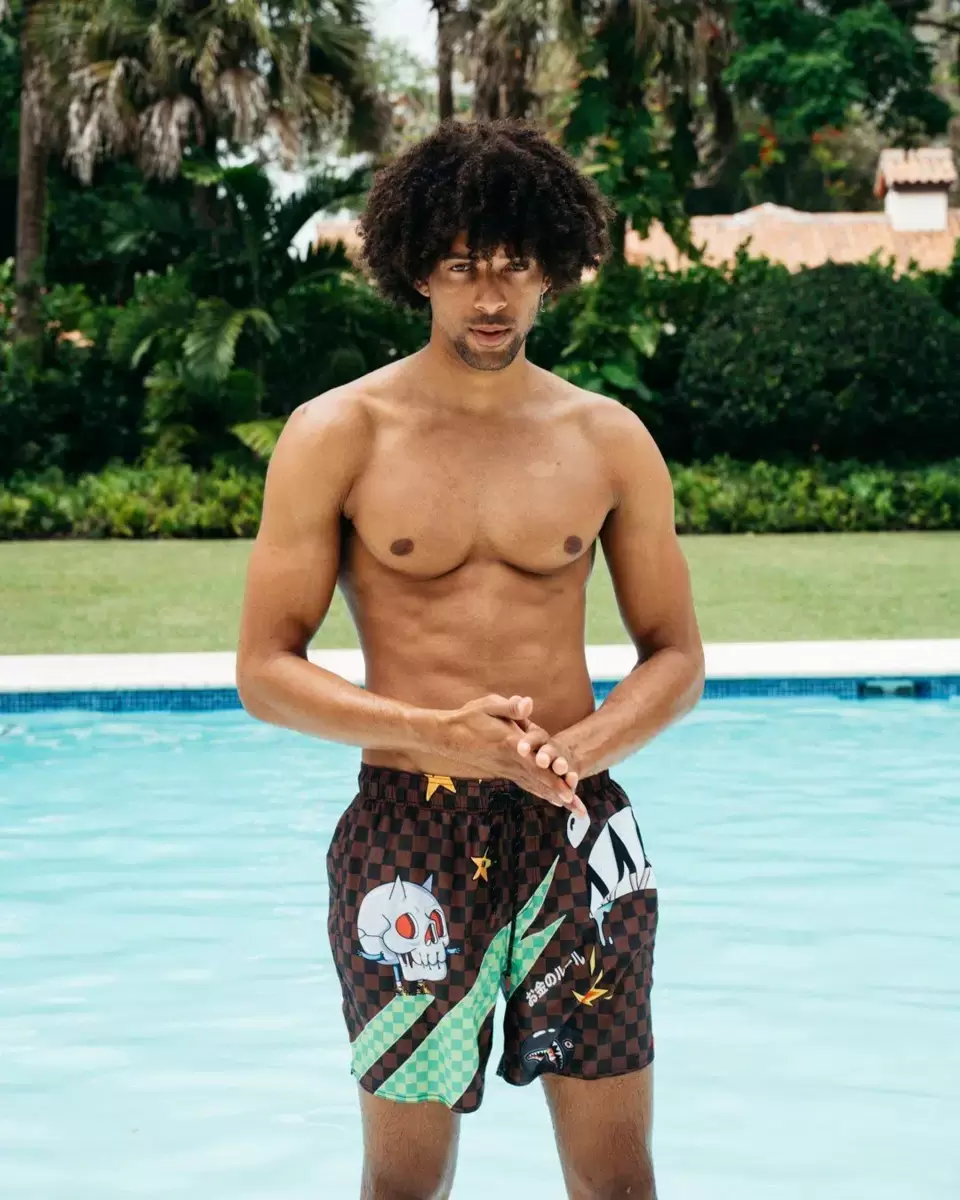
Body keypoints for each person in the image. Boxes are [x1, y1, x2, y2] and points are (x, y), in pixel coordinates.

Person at [237, 119, 704, 1200]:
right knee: (404, 1182)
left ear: (554, 270)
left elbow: (676, 657)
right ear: (417, 270)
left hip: (579, 826)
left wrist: (581, 747)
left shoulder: (608, 439)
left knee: (617, 1178)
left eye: (515, 266)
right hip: (410, 834)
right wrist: (437, 735)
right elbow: (264, 669)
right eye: (461, 268)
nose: (490, 298)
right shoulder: (338, 433)